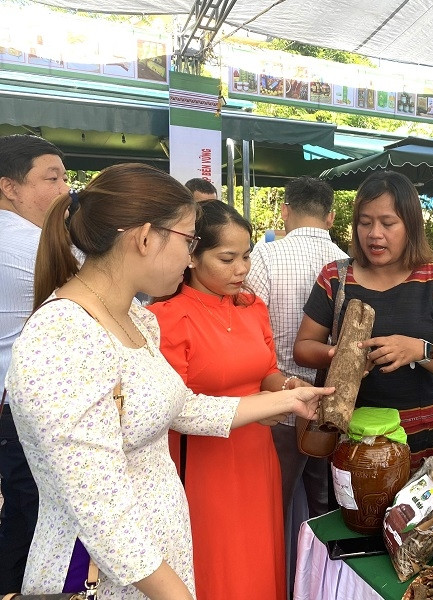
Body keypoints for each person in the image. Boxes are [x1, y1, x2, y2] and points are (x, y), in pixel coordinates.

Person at [5, 163, 331, 599]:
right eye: (189, 240)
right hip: (106, 575)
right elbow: (100, 508)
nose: (190, 255)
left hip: (159, 558)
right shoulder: (64, 336)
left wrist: (290, 401)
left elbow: (185, 407)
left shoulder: (136, 318)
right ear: (145, 237)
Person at [149, 200, 297, 600]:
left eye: (247, 256)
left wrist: (287, 392)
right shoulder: (166, 317)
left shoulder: (252, 307)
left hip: (256, 456)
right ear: (191, 256)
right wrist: (258, 408)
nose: (242, 269)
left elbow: (266, 370)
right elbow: (173, 408)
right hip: (201, 462)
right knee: (219, 562)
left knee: (258, 557)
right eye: (227, 258)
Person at [294, 170, 433, 470]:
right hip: (348, 438)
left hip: (416, 441)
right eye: (365, 222)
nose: (374, 233)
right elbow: (303, 348)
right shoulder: (335, 278)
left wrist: (418, 349)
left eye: (388, 223)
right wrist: (339, 356)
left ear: (411, 226)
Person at [246, 176, 347, 597]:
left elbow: (251, 328)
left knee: (274, 507)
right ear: (332, 216)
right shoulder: (349, 262)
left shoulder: (264, 257)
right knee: (328, 507)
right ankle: (321, 585)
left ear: (284, 211)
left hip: (280, 405)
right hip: (333, 405)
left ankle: (278, 584)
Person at [0, 134, 68, 594]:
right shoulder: (27, 244)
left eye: (65, 176)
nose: (66, 187)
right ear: (9, 186)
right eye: (52, 177)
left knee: (22, 515)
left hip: (13, 406)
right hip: (28, 411)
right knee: (34, 520)